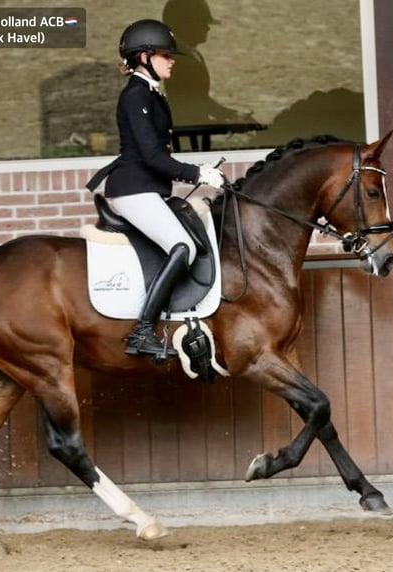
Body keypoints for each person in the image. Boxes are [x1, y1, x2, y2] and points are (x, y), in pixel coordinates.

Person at [86, 19, 225, 358]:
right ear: (144, 57)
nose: (172, 60)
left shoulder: (150, 93)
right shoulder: (135, 95)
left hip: (147, 188)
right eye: (165, 55)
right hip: (132, 189)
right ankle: (142, 332)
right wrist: (197, 174)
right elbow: (151, 156)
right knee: (182, 247)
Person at [161, 0, 246, 125]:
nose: (208, 28)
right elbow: (191, 105)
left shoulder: (189, 54)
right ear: (185, 26)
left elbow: (199, 100)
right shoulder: (181, 59)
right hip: (189, 133)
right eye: (202, 23)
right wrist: (228, 118)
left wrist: (230, 114)